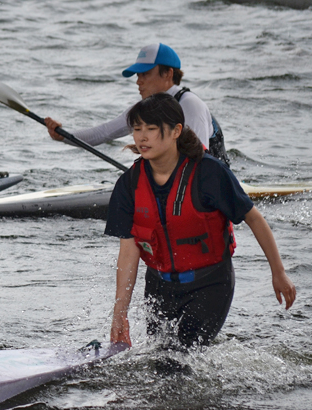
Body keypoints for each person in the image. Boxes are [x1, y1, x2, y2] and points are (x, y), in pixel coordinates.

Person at [105, 93, 295, 348]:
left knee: (178, 358)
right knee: (159, 359)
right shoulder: (129, 183)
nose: (142, 137)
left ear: (176, 131)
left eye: (151, 129)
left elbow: (254, 218)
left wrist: (278, 272)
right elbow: (129, 249)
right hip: (160, 287)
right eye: (137, 129)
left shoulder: (209, 173)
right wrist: (120, 311)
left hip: (210, 283)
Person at [44, 43, 229, 164]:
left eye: (145, 74)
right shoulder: (147, 109)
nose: (138, 81)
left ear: (168, 74)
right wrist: (62, 136)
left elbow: (200, 158)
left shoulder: (190, 104)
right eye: (138, 75)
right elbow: (103, 132)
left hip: (211, 183)